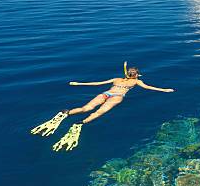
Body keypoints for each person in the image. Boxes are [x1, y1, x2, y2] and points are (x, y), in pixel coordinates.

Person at [31, 62, 174, 151]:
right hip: (117, 97)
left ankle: (66, 113)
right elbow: (149, 87)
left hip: (106, 93)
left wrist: (79, 83)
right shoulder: (136, 82)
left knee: (85, 108)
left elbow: (97, 83)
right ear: (137, 75)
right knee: (98, 113)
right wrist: (165, 90)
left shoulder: (116, 79)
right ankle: (80, 123)